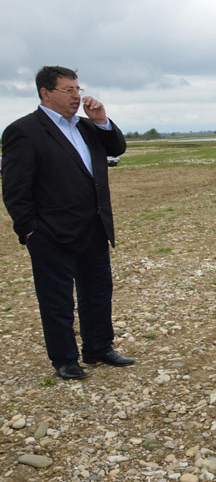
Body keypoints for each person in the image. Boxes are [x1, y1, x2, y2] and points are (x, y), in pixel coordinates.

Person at [1, 66, 133, 381]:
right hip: (50, 234)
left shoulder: (87, 127)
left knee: (98, 292)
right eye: (68, 90)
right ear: (45, 93)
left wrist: (101, 120)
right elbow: (15, 190)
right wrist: (30, 231)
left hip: (94, 227)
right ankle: (64, 359)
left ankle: (99, 347)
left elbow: (117, 148)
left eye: (78, 89)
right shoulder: (24, 131)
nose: (77, 96)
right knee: (57, 300)